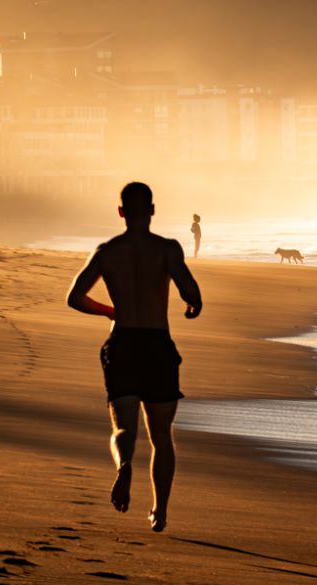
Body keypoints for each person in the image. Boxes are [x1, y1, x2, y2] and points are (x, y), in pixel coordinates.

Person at [66, 182, 202, 533]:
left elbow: (76, 297)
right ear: (152, 211)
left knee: (124, 426)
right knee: (161, 435)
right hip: (157, 345)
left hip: (123, 342)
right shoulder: (168, 250)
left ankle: (124, 465)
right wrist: (192, 305)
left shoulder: (107, 251)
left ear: (121, 212)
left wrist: (110, 311)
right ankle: (159, 511)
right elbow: (190, 291)